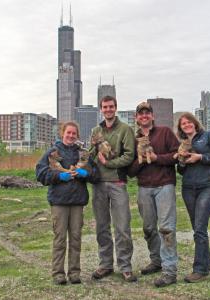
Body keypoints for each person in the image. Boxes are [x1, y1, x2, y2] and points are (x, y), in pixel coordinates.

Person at [128, 102, 179, 287]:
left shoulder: (165, 132)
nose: (144, 116)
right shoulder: (134, 140)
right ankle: (156, 261)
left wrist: (157, 158)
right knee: (149, 228)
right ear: (136, 118)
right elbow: (130, 171)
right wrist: (141, 160)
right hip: (144, 187)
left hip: (164, 185)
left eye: (147, 113)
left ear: (152, 116)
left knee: (166, 228)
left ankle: (170, 271)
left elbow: (176, 155)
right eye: (140, 114)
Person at [36, 121, 90, 285]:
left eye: (74, 133)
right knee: (60, 239)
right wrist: (59, 176)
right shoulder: (52, 152)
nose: (71, 136)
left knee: (75, 238)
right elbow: (41, 173)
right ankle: (58, 273)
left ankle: (74, 273)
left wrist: (84, 173)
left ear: (77, 135)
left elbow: (93, 172)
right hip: (59, 201)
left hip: (77, 201)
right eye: (68, 133)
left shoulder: (83, 153)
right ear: (62, 133)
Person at [90, 95, 137, 282]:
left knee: (122, 226)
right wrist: (90, 151)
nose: (108, 110)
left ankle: (125, 266)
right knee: (102, 227)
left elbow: (129, 156)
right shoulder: (96, 130)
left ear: (115, 108)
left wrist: (109, 163)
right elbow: (92, 155)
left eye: (111, 106)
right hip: (99, 184)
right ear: (101, 109)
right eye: (104, 107)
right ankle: (105, 264)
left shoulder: (125, 129)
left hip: (118, 183)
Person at [176, 112, 210, 283]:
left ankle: (199, 270)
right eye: (183, 124)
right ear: (181, 128)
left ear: (195, 123)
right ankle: (207, 266)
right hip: (189, 188)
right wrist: (182, 162)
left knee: (199, 228)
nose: (187, 125)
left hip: (207, 186)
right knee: (199, 229)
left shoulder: (207, 137)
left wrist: (201, 157)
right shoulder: (182, 143)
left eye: (189, 122)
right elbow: (180, 171)